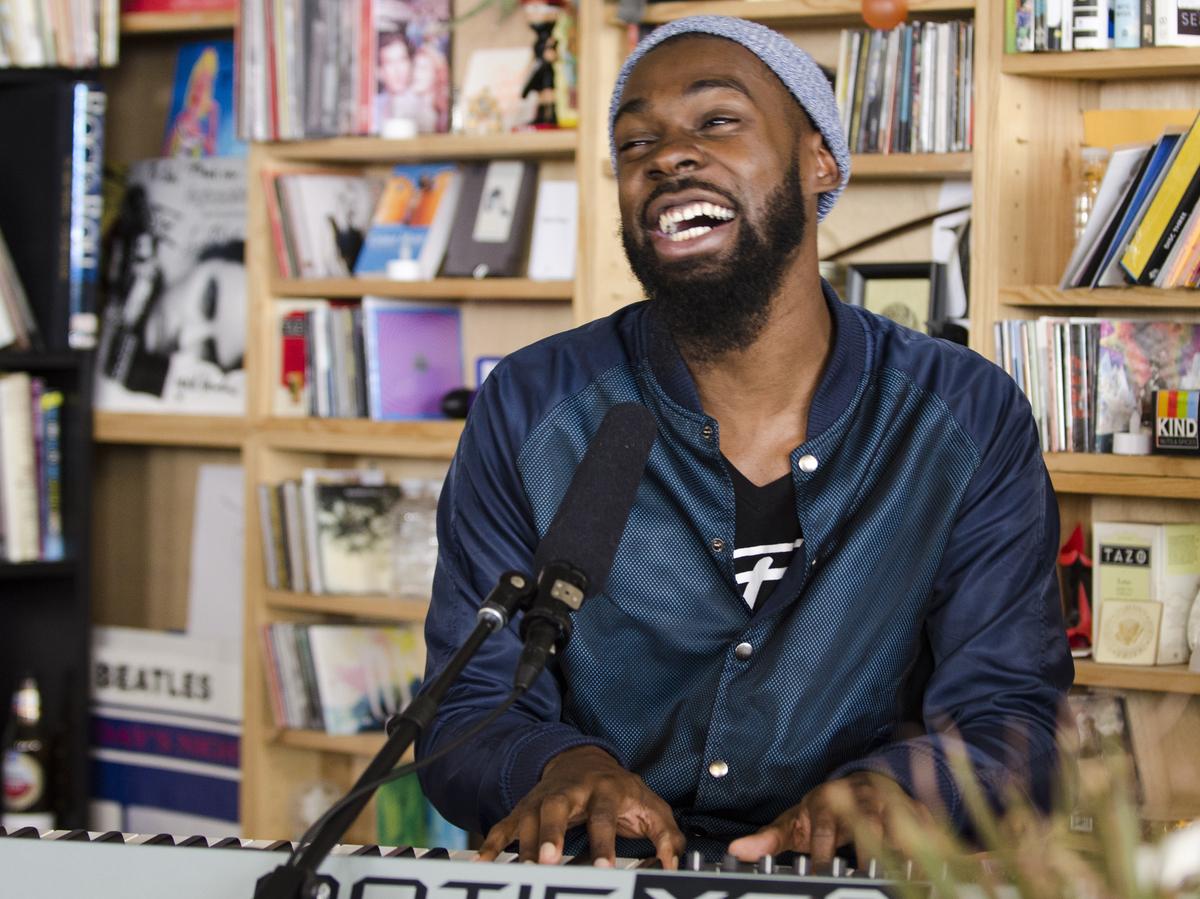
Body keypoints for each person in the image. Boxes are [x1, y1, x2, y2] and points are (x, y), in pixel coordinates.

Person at [416, 15, 1073, 870]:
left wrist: (898, 788)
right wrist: (561, 763)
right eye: (635, 142)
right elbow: (468, 705)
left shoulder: (964, 417)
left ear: (819, 160)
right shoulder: (531, 407)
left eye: (716, 120)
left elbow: (1014, 714)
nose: (667, 156)